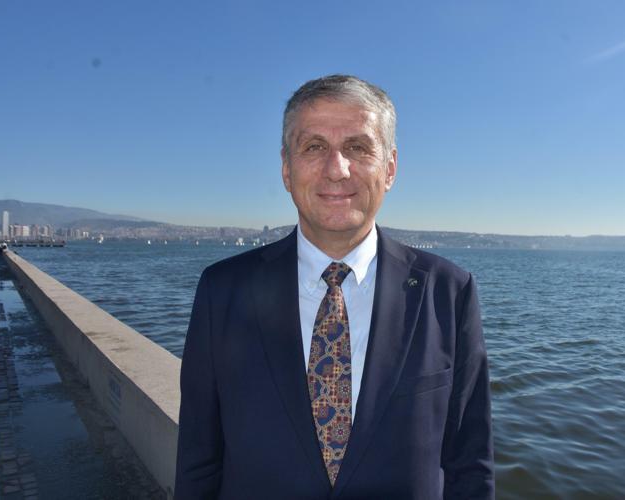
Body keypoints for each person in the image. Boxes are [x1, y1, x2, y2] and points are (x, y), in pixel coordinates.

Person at [175, 74, 494, 499]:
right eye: (314, 147)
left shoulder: (449, 293)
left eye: (358, 147)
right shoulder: (222, 292)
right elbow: (198, 460)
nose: (337, 169)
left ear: (390, 168)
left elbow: (470, 464)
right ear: (286, 169)